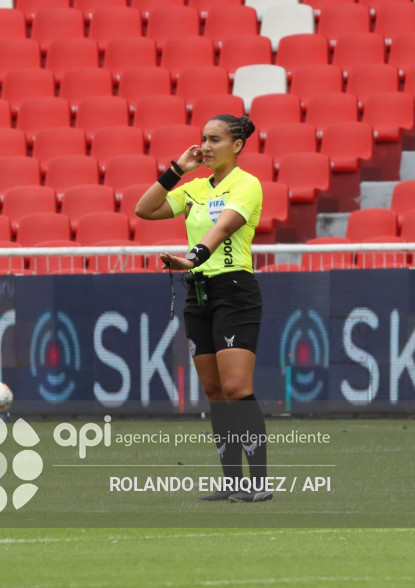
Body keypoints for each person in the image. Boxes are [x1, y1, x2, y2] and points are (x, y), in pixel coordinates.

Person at [135, 114, 271, 503]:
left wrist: (191, 258)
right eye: (203, 139)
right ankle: (233, 482)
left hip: (233, 290)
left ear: (238, 144)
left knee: (235, 387)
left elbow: (223, 228)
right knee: (214, 391)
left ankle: (259, 482)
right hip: (197, 293)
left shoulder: (247, 185)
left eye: (215, 139)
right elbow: (145, 209)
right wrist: (177, 169)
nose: (206, 146)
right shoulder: (194, 188)